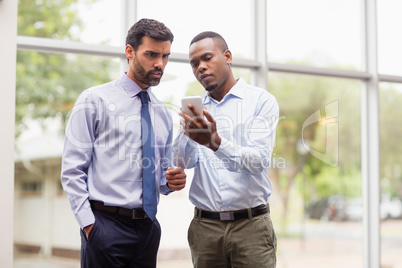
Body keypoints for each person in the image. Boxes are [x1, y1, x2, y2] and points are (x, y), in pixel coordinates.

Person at [61, 18, 186, 268]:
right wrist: (90, 226)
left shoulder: (162, 113)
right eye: (151, 54)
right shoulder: (94, 100)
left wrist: (171, 182)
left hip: (148, 229)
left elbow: (159, 179)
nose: (159, 63)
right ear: (130, 52)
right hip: (104, 227)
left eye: (165, 56)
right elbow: (72, 171)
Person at [173, 31, 279, 267]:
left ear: (227, 56)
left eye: (207, 58)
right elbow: (182, 161)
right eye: (194, 64)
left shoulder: (261, 101)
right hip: (205, 230)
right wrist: (186, 132)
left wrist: (214, 143)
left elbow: (258, 161)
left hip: (251, 227)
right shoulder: (196, 110)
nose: (201, 67)